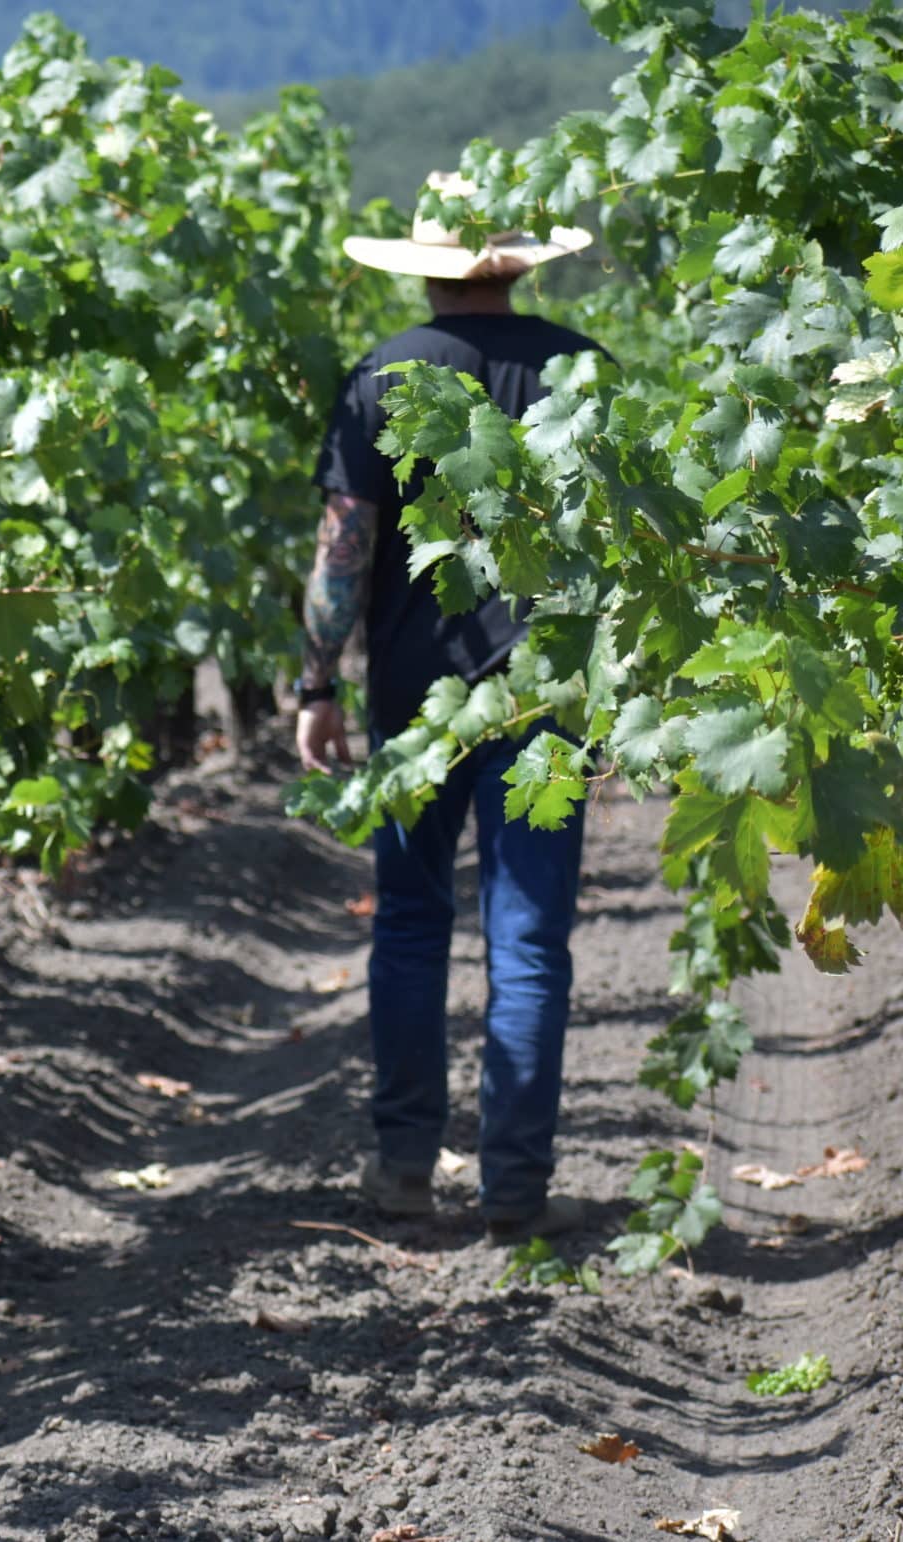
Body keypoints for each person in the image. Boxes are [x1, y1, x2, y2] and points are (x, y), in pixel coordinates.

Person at [296, 173, 603, 1245]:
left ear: (423, 267)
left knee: (413, 924)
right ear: (517, 265)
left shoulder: (383, 375)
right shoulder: (579, 371)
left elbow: (344, 549)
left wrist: (312, 680)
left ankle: (400, 1172)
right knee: (528, 942)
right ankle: (514, 1192)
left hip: (413, 704)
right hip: (547, 700)